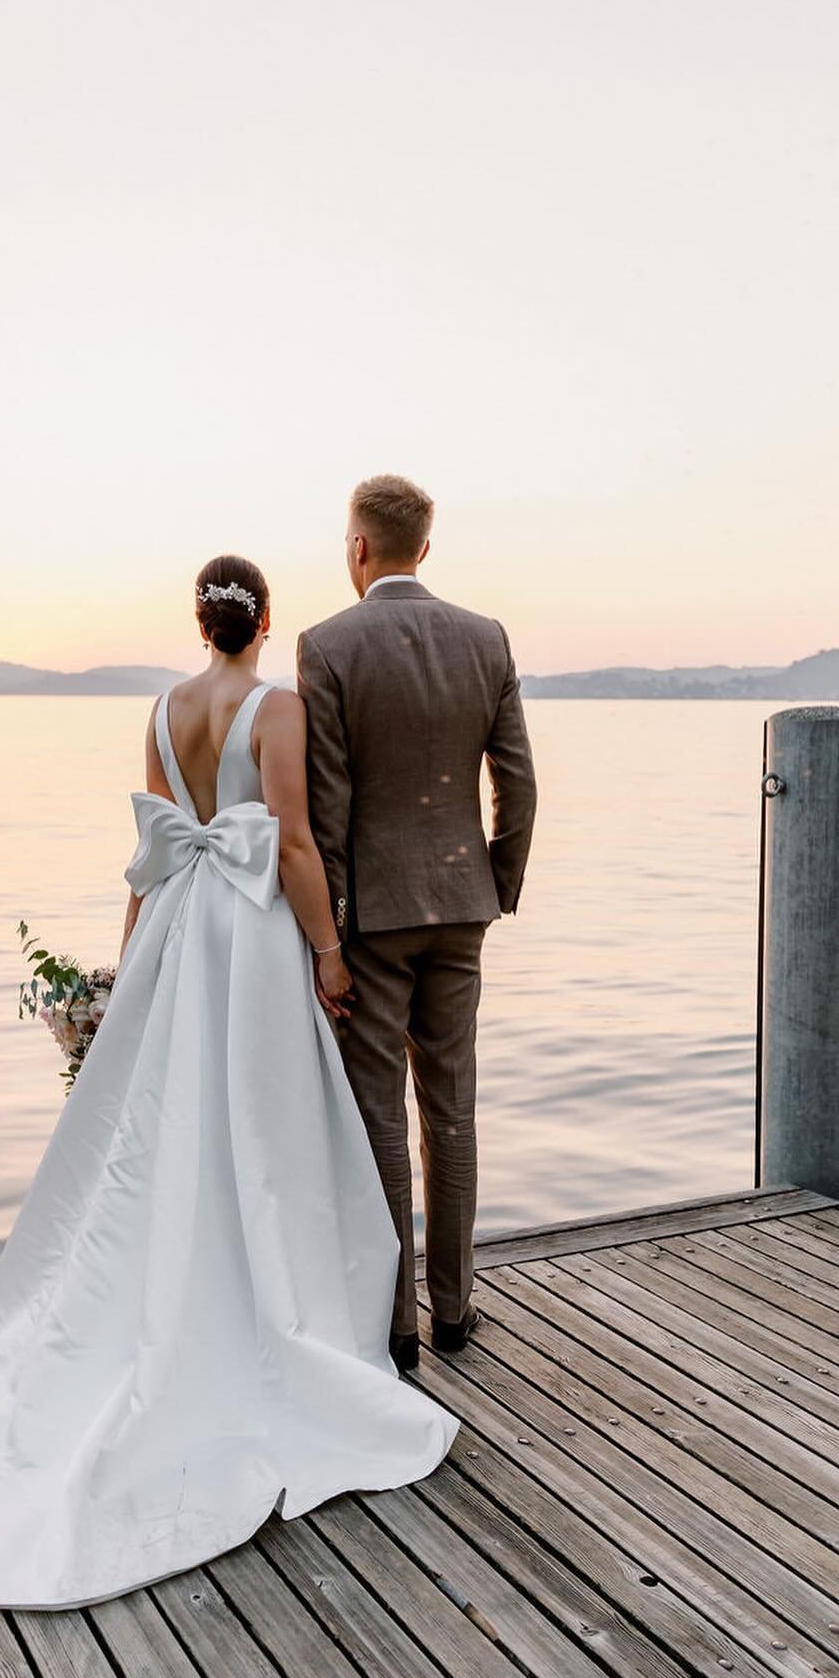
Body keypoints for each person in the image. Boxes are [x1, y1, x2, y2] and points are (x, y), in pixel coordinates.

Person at [0, 553, 458, 1610]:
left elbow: (152, 849)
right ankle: (260, 1291)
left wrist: (132, 953)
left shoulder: (160, 709)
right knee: (259, 1125)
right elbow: (289, 846)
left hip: (180, 926)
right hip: (247, 937)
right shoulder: (275, 707)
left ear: (200, 622)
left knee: (159, 1127)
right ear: (265, 619)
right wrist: (328, 951)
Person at [298, 475, 537, 1372]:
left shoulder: (327, 646)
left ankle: (393, 1325)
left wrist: (332, 933)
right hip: (461, 906)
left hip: (374, 920)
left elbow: (330, 805)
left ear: (358, 547)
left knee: (379, 1118)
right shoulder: (487, 638)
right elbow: (518, 784)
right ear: (423, 548)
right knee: (453, 1111)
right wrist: (495, 884)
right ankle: (456, 1308)